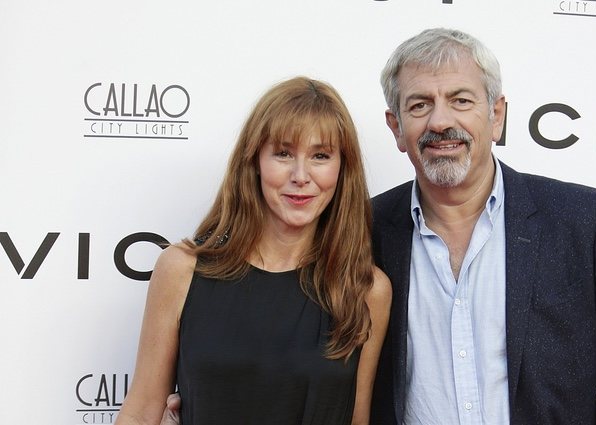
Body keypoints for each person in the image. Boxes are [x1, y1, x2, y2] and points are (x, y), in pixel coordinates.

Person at [159, 28, 596, 425]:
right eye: (419, 104)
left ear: (497, 116)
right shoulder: (358, 234)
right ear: (396, 128)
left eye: (461, 100)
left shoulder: (582, 220)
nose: (440, 121)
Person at [115, 76, 391, 425]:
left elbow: (357, 420)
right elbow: (141, 413)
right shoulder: (181, 270)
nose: (301, 175)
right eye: (283, 153)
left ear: (342, 169)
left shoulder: (366, 290)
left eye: (320, 155)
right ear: (255, 160)